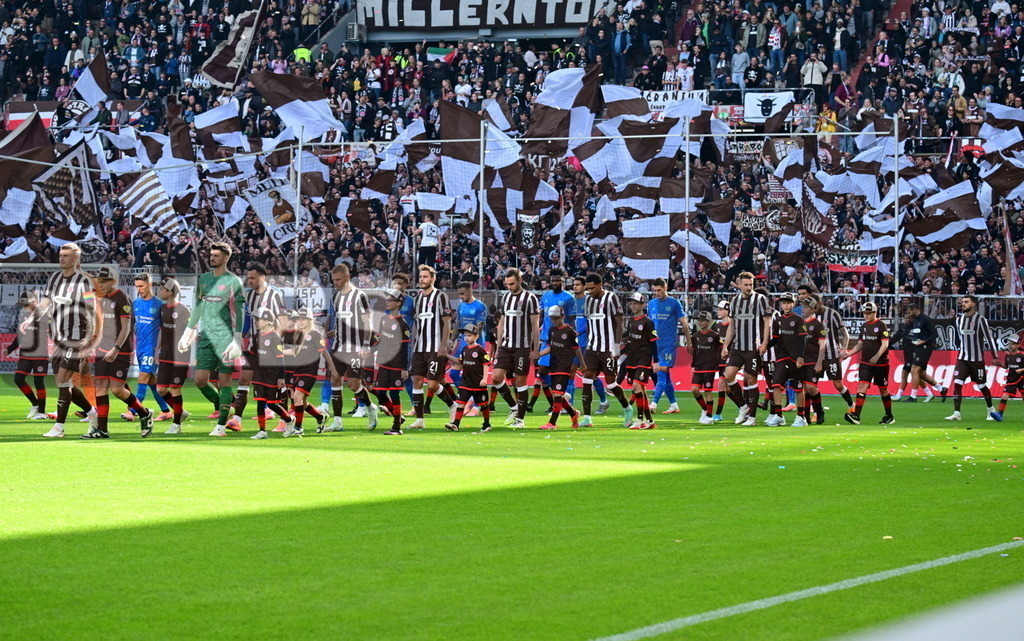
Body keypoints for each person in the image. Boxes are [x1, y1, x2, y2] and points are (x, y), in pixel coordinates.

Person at [182, 242, 246, 437]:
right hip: (206, 337)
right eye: (211, 255)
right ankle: (225, 406)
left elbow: (240, 311)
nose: (212, 258)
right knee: (200, 380)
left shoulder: (233, 281)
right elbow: (199, 307)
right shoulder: (204, 279)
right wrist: (188, 330)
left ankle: (221, 426)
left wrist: (237, 338)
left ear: (226, 258)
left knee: (224, 382)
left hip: (225, 338)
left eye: (216, 255)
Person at [84, 266, 154, 439]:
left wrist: (116, 348)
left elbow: (126, 327)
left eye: (104, 281)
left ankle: (144, 414)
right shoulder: (101, 299)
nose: (101, 284)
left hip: (120, 350)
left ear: (113, 281)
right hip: (102, 349)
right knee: (100, 389)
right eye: (99, 281)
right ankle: (102, 430)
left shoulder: (122, 298)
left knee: (117, 390)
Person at [38, 243, 98, 438]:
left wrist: (89, 338)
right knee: (63, 384)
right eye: (61, 255)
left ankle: (59, 427)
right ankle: (92, 413)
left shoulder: (84, 281)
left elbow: (91, 307)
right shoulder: (54, 278)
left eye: (66, 255)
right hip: (59, 337)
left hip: (77, 336)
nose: (61, 258)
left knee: (64, 379)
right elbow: (46, 301)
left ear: (76, 259)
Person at [228, 263, 287, 432]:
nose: (250, 281)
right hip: (254, 347)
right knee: (244, 378)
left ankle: (283, 421)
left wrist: (279, 343)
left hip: (271, 348)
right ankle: (237, 420)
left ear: (263, 277)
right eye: (249, 277)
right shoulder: (250, 295)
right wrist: (239, 338)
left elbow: (283, 320)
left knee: (276, 384)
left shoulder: (276, 294)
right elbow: (247, 319)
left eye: (253, 277)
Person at [326, 263, 379, 431]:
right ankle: (337, 422)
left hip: (356, 348)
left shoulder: (359, 295)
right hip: (338, 346)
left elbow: (367, 322)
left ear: (347, 277)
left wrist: (365, 345)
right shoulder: (335, 297)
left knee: (354, 385)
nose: (336, 283)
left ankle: (371, 408)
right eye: (334, 280)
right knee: (335, 380)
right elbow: (342, 320)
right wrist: (334, 331)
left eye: (339, 280)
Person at [489, 268, 540, 429]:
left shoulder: (530, 298)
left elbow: (535, 325)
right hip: (505, 345)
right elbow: (502, 322)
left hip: (522, 347)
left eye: (512, 284)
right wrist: (498, 345)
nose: (509, 286)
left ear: (519, 281)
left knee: (520, 381)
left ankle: (521, 420)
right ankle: (514, 407)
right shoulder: (505, 297)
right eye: (507, 284)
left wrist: (536, 348)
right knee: (496, 377)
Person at [579, 273, 632, 427]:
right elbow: (590, 322)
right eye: (587, 288)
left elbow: (619, 323)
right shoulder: (588, 300)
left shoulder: (611, 298)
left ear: (600, 285)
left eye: (592, 288)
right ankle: (587, 418)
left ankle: (627, 409)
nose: (589, 291)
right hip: (592, 347)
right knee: (586, 378)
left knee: (610, 383)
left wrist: (616, 347)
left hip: (608, 349)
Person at [721, 272, 773, 426]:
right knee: (728, 375)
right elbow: (732, 325)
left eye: (751, 284)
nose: (749, 287)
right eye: (746, 285)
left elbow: (767, 322)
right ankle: (743, 407)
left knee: (750, 378)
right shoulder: (735, 301)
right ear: (739, 284)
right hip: (738, 346)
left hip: (753, 347)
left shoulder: (760, 299)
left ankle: (752, 417)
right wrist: (725, 345)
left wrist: (764, 343)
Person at [409, 265, 454, 429]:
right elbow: (417, 323)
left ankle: (452, 405)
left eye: (425, 277)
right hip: (419, 347)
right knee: (417, 381)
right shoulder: (417, 299)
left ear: (432, 278)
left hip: (435, 347)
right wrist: (414, 343)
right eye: (420, 277)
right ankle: (420, 420)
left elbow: (447, 322)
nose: (422, 279)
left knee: (433, 384)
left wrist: (444, 344)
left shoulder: (441, 296)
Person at [123, 274, 172, 422]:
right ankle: (167, 410)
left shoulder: (159, 305)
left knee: (142, 379)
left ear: (149, 285)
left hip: (152, 349)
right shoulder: (136, 303)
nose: (139, 289)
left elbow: (165, 329)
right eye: (137, 286)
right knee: (151, 382)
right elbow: (132, 327)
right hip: (140, 347)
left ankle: (133, 411)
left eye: (141, 286)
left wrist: (159, 349)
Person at [946, 295, 998, 421]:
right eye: (962, 302)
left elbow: (989, 338)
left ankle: (990, 409)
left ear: (973, 304)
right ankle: (956, 413)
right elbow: (960, 339)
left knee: (981, 386)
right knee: (957, 383)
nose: (963, 304)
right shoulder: (959, 320)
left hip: (977, 359)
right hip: (963, 358)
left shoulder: (980, 320)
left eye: (966, 302)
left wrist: (995, 356)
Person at [245, 308, 295, 439]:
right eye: (255, 319)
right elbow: (254, 354)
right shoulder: (256, 337)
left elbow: (280, 358)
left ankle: (289, 419)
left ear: (268, 322)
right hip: (259, 375)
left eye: (258, 319)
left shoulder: (274, 337)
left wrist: (280, 377)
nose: (255, 322)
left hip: (272, 376)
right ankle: (262, 431)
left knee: (272, 404)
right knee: (260, 403)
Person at [842, 302, 894, 425]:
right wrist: (849, 354)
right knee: (861, 387)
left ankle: (889, 415)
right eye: (865, 313)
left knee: (883, 389)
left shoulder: (881, 325)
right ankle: (856, 416)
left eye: (868, 313)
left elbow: (885, 344)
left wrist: (877, 356)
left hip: (881, 363)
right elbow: (860, 344)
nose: (866, 315)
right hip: (865, 362)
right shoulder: (864, 326)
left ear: (874, 313)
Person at [531, 268, 574, 413]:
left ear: (563, 281)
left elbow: (572, 321)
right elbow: (541, 317)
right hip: (545, 338)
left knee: (557, 372)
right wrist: (536, 334)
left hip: (561, 341)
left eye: (558, 281)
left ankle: (561, 400)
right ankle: (562, 395)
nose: (555, 283)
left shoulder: (569, 298)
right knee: (542, 370)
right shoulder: (545, 296)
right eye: (553, 281)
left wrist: (570, 339)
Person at [281, 308, 327, 435]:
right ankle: (320, 417)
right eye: (299, 319)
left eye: (303, 319)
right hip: (298, 371)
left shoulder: (315, 334)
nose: (300, 322)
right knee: (303, 402)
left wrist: (332, 368)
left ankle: (298, 427)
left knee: (297, 397)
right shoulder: (299, 335)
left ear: (309, 320)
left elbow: (324, 351)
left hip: (309, 372)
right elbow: (294, 352)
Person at [536, 306, 583, 431]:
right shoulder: (552, 330)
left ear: (563, 316)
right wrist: (538, 354)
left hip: (565, 365)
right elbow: (550, 347)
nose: (554, 320)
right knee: (558, 395)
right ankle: (573, 414)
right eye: (552, 318)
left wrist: (581, 364)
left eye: (556, 318)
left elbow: (576, 349)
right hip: (554, 364)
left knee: (557, 395)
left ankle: (552, 423)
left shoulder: (569, 331)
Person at [372, 288, 411, 435]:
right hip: (383, 363)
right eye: (387, 300)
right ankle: (398, 417)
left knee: (394, 394)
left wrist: (405, 368)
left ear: (398, 303)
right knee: (380, 393)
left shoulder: (402, 323)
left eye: (390, 300)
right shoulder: (384, 319)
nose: (387, 302)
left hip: (396, 365)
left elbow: (406, 347)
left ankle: (397, 427)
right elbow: (380, 341)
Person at [765, 293, 807, 428]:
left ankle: (801, 417)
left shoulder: (799, 320)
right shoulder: (779, 320)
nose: (786, 305)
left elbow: (802, 339)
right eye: (784, 303)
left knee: (798, 387)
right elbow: (776, 339)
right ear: (781, 304)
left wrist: (800, 356)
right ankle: (778, 415)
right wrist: (764, 346)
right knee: (776, 384)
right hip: (782, 357)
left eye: (788, 302)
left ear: (793, 304)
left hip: (795, 358)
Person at [892, 302, 946, 403]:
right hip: (917, 348)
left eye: (910, 311)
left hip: (925, 347)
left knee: (914, 370)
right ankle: (941, 389)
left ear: (915, 309)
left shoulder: (925, 319)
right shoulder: (915, 321)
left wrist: (924, 341)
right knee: (921, 374)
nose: (909, 313)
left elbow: (935, 334)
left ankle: (913, 397)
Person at [155, 278, 190, 434]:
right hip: (165, 354)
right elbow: (162, 330)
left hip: (180, 356)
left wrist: (186, 342)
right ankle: (180, 411)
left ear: (169, 292)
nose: (159, 291)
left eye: (162, 289)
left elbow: (192, 330)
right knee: (161, 389)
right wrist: (158, 349)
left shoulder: (183, 310)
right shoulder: (162, 309)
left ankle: (176, 424)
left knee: (175, 388)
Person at [8, 291, 50, 420]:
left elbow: (54, 331)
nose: (24, 307)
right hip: (25, 353)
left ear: (34, 302)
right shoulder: (24, 315)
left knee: (39, 382)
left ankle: (42, 413)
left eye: (26, 304)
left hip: (39, 354)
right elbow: (21, 336)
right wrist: (10, 349)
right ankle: (35, 404)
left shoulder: (44, 315)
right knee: (18, 379)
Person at [648, 277, 687, 413]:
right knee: (665, 375)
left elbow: (684, 323)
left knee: (661, 372)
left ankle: (653, 404)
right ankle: (674, 405)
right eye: (655, 291)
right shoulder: (651, 303)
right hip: (655, 345)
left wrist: (689, 340)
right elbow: (649, 324)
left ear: (665, 288)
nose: (657, 293)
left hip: (668, 344)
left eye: (659, 290)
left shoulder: (674, 303)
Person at [569, 275, 608, 412]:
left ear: (585, 287)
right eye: (574, 284)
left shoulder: (589, 301)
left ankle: (604, 401)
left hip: (587, 343)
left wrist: (578, 332)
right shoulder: (571, 301)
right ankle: (569, 404)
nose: (575, 287)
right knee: (571, 371)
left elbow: (590, 322)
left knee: (589, 374)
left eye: (578, 284)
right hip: (573, 344)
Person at [449, 281, 488, 415]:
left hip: (476, 346)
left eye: (462, 293)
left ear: (470, 291)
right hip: (462, 344)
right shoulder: (461, 306)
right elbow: (458, 324)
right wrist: (451, 340)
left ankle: (477, 407)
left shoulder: (480, 306)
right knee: (453, 374)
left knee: (475, 377)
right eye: (459, 293)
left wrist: (472, 340)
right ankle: (470, 397)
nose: (460, 296)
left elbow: (480, 326)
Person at [445, 324, 493, 432]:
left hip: (477, 382)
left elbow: (486, 364)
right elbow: (460, 362)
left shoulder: (480, 350)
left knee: (483, 404)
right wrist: (447, 356)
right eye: (465, 336)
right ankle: (455, 424)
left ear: (476, 336)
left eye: (469, 335)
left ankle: (486, 424)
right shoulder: (464, 349)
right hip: (465, 382)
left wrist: (484, 379)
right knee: (461, 403)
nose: (466, 338)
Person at [623, 293, 657, 430]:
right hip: (633, 358)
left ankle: (639, 419)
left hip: (644, 357)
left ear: (642, 305)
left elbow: (654, 343)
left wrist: (656, 361)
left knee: (637, 386)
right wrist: (620, 353)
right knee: (641, 389)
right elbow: (631, 341)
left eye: (635, 303)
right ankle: (649, 421)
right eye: (631, 303)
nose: (633, 306)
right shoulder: (631, 321)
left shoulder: (648, 322)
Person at [689, 310, 722, 425]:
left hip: (710, 367)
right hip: (698, 367)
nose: (700, 322)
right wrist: (693, 365)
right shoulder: (696, 336)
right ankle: (704, 409)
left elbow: (721, 349)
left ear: (709, 322)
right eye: (698, 320)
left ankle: (709, 416)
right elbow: (694, 351)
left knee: (708, 391)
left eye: (702, 320)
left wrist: (719, 362)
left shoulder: (714, 336)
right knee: (694, 389)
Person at [799, 302, 827, 424]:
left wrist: (819, 362)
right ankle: (805, 415)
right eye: (802, 307)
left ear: (812, 309)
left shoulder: (818, 325)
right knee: (803, 389)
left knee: (811, 387)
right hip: (801, 360)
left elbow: (822, 345)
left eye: (805, 307)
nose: (802, 309)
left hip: (813, 359)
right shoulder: (800, 323)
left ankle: (819, 411)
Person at [990, 333, 1024, 422]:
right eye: (1009, 343)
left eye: (1012, 344)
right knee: (1004, 396)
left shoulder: (1022, 355)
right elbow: (1006, 366)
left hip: (1022, 378)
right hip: (1012, 379)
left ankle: (999, 414)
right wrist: (999, 364)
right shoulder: (1008, 356)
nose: (1010, 346)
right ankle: (999, 414)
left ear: (1018, 345)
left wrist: (1021, 370)